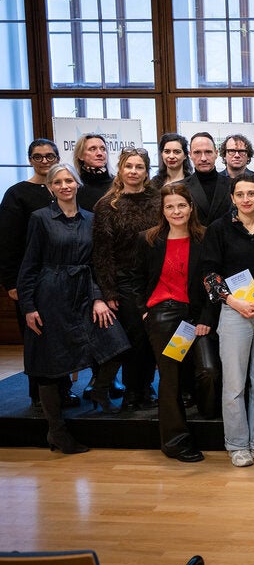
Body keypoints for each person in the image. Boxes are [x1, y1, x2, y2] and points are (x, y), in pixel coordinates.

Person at [18, 164, 129, 452]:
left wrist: (98, 297)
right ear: (50, 188)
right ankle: (57, 432)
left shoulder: (90, 218)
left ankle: (100, 391)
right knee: (51, 364)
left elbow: (96, 263)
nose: (65, 185)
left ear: (77, 184)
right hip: (51, 295)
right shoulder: (40, 218)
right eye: (58, 182)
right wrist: (29, 306)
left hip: (84, 292)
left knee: (116, 342)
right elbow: (29, 264)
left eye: (69, 180)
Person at [201, 174, 254, 467]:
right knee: (235, 383)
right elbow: (210, 273)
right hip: (234, 311)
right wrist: (233, 301)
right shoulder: (219, 229)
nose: (247, 199)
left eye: (252, 193)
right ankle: (237, 444)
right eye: (241, 194)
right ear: (232, 198)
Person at [133, 184, 212, 462]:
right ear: (162, 211)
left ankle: (205, 419)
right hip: (164, 317)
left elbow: (211, 283)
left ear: (191, 207)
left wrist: (204, 318)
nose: (176, 211)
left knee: (207, 371)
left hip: (194, 317)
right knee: (171, 379)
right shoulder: (149, 239)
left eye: (181, 205)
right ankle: (175, 441)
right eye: (170, 206)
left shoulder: (204, 238)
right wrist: (144, 311)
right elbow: (134, 279)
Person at [0, 138, 78, 408]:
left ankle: (63, 390)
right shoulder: (17, 194)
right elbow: (8, 242)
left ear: (57, 158)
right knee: (36, 340)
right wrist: (11, 282)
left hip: (63, 282)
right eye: (38, 156)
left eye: (49, 156)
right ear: (30, 159)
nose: (44, 160)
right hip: (29, 279)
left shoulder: (65, 192)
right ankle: (38, 395)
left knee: (60, 338)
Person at [92, 147, 162, 411]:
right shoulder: (106, 205)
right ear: (120, 170)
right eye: (129, 166)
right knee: (135, 338)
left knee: (152, 336)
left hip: (154, 278)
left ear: (146, 171)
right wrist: (108, 292)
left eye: (139, 167)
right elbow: (101, 252)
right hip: (123, 281)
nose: (134, 171)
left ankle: (146, 387)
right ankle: (134, 391)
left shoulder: (158, 200)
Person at [183, 132, 232, 226]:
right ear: (190, 155)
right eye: (197, 152)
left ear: (216, 153)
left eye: (208, 152)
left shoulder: (233, 185)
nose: (203, 158)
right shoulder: (180, 187)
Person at [74, 133, 113, 212]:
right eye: (92, 149)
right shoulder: (74, 185)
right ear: (80, 155)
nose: (99, 153)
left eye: (103, 149)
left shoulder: (118, 183)